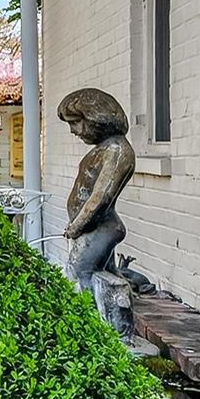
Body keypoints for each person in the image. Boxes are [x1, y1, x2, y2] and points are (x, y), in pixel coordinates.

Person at [58, 88, 134, 294]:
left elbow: (102, 196)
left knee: (78, 275)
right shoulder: (105, 148)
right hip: (93, 228)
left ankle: (89, 315)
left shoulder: (117, 151)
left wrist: (77, 225)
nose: (73, 130)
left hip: (101, 227)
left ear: (96, 118)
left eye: (75, 122)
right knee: (104, 280)